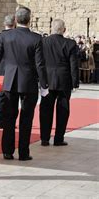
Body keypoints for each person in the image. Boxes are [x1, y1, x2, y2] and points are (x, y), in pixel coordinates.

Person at [0, 6, 48, 161]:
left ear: (16, 19)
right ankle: (23, 152)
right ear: (29, 19)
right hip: (28, 82)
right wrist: (44, 84)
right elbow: (40, 64)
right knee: (26, 119)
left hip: (10, 81)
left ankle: (7, 151)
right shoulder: (36, 38)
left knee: (9, 117)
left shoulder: (5, 36)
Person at [40, 19, 79, 147]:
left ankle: (45, 138)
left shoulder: (44, 42)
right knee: (63, 110)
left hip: (47, 80)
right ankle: (58, 138)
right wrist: (75, 82)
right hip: (64, 80)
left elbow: (39, 61)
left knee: (45, 109)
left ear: (52, 28)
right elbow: (74, 65)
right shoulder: (70, 44)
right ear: (64, 29)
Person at [0, 15, 15, 129]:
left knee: (0, 97)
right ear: (14, 24)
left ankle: (0, 122)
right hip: (12, 70)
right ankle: (10, 121)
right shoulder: (15, 36)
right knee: (12, 97)